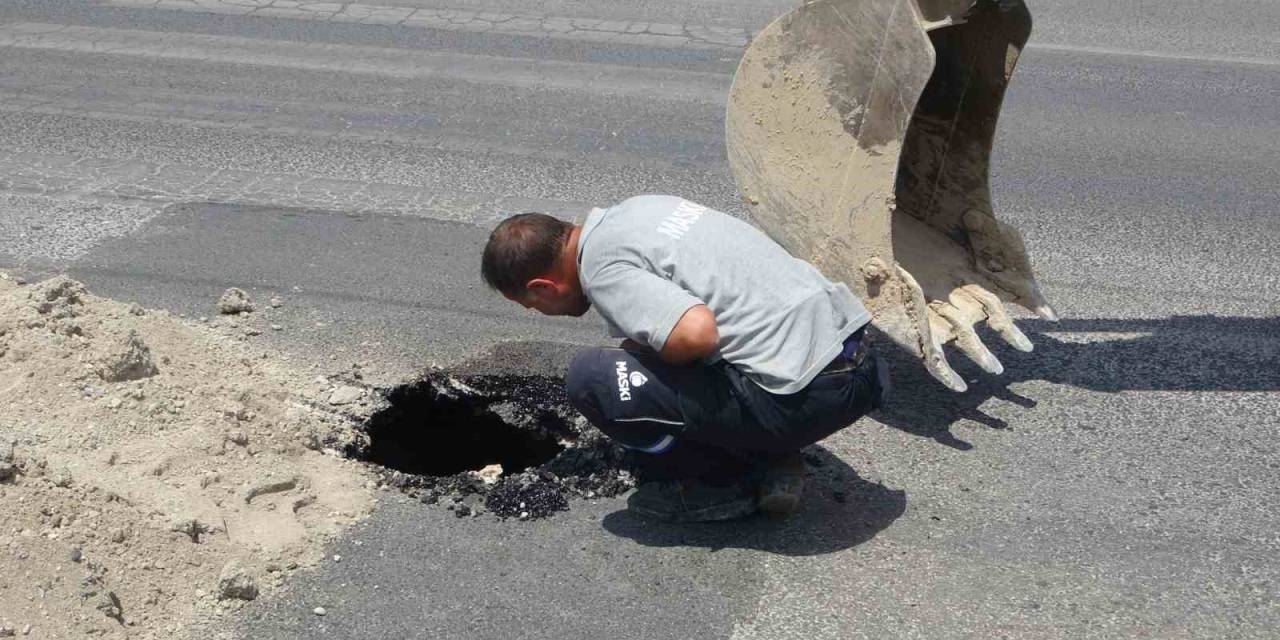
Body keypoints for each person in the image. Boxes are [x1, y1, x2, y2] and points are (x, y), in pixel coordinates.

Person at [481, 195, 889, 522]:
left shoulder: (603, 270)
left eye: (531, 305)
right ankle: (769, 451)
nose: (537, 313)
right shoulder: (638, 212)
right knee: (652, 356)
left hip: (813, 394)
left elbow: (697, 333)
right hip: (858, 355)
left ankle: (719, 483)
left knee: (594, 378)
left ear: (543, 286)